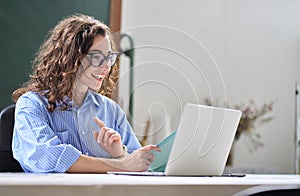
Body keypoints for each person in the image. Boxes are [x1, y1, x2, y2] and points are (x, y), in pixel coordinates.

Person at [11, 13, 160, 173]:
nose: (106, 67)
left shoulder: (111, 110)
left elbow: (140, 164)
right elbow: (49, 157)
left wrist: (120, 154)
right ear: (71, 58)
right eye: (96, 57)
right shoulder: (31, 105)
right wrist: (121, 165)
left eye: (109, 57)